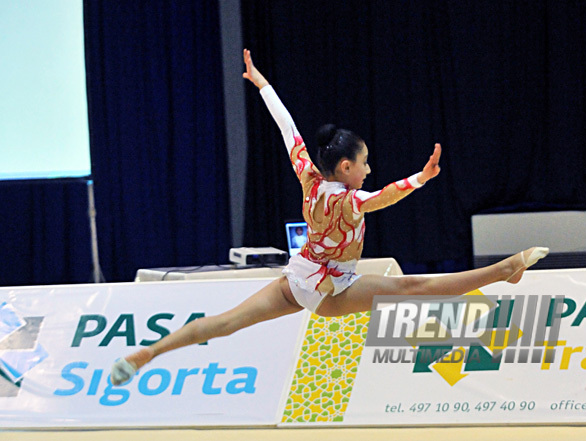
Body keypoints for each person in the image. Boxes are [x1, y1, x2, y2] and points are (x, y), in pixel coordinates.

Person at [110, 49, 548, 386]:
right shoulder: (349, 201)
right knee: (414, 286)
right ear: (345, 168)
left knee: (224, 323)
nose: (368, 169)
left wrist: (262, 84)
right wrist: (423, 176)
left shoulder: (308, 176)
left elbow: (288, 129)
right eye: (364, 163)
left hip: (297, 279)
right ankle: (505, 269)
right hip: (329, 289)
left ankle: (147, 353)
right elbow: (386, 196)